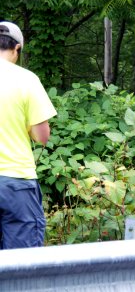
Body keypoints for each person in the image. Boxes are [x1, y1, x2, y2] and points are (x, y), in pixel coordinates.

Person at [0, 21, 57, 249]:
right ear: (17, 49)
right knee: (22, 264)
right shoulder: (26, 79)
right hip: (16, 181)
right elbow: (42, 136)